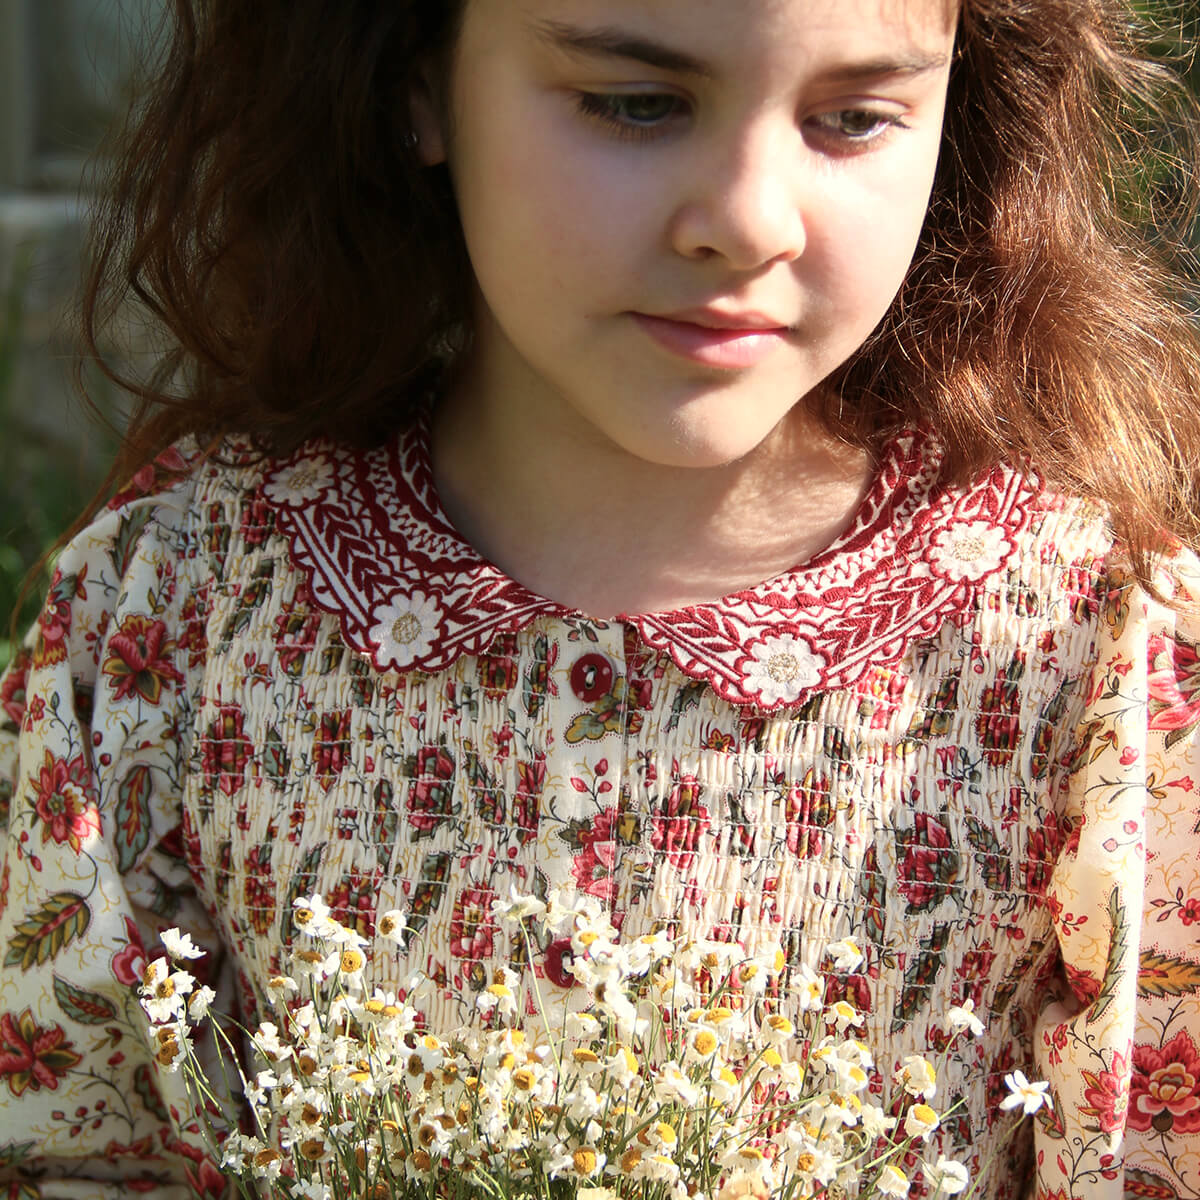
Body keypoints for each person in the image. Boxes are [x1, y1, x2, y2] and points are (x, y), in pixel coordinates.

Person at [2, 0, 1200, 1194]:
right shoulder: (185, 601)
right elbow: (68, 1148)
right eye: (637, 103)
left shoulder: (1086, 650)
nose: (747, 221)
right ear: (418, 81)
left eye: (852, 119)